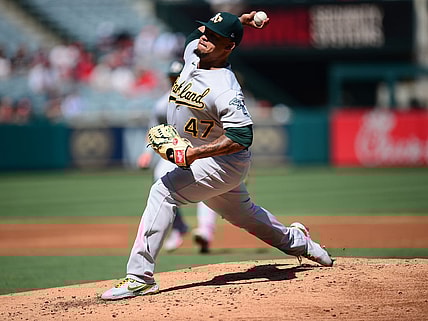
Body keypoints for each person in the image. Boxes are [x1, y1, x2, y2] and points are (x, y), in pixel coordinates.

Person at [101, 11, 333, 301]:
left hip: (224, 163)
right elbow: (191, 35)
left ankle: (139, 277)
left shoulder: (226, 87)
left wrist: (196, 153)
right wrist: (239, 19)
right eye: (205, 32)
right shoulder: (193, 52)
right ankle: (299, 242)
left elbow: (242, 137)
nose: (204, 38)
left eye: (213, 37)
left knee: (164, 191)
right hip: (207, 159)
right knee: (245, 216)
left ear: (229, 47)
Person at [137, 59, 217, 253]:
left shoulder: (203, 96)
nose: (175, 80)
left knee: (210, 190)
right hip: (178, 152)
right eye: (172, 77)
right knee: (159, 181)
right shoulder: (161, 104)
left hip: (203, 150)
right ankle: (179, 227)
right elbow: (154, 129)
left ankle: (205, 231)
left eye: (178, 76)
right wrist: (147, 152)